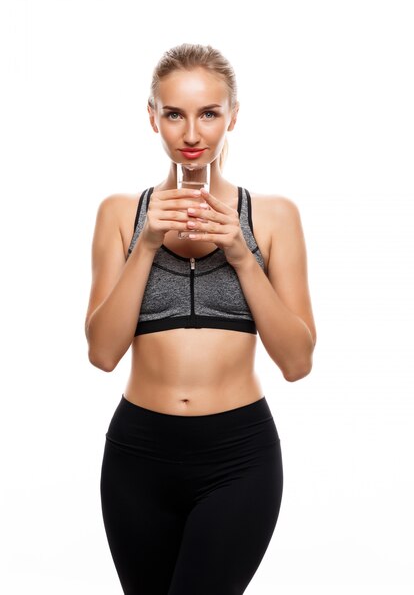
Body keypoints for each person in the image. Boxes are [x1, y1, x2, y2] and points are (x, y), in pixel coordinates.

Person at [85, 43, 317, 595]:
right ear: (153, 118)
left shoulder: (274, 216)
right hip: (137, 455)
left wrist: (241, 253)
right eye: (175, 114)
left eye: (209, 113)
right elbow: (102, 353)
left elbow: (297, 361)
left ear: (232, 115)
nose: (192, 133)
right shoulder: (121, 213)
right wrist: (144, 246)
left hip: (238, 456)